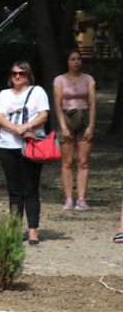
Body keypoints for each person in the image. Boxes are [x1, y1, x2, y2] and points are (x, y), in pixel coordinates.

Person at [0, 61, 49, 245]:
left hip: (31, 145)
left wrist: (27, 126)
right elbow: (0, 117)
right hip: (8, 145)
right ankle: (15, 229)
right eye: (14, 73)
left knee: (31, 188)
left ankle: (33, 229)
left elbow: (43, 115)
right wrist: (16, 128)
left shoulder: (38, 92)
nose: (17, 76)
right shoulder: (4, 94)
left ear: (29, 75)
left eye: (22, 73)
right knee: (14, 190)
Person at [52, 50, 96, 211]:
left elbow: (92, 104)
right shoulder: (60, 80)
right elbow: (57, 104)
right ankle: (69, 198)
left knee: (83, 162)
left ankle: (82, 199)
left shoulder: (88, 79)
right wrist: (63, 127)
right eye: (72, 59)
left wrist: (91, 126)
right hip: (67, 118)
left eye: (78, 59)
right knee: (67, 162)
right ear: (67, 61)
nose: (76, 62)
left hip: (84, 118)